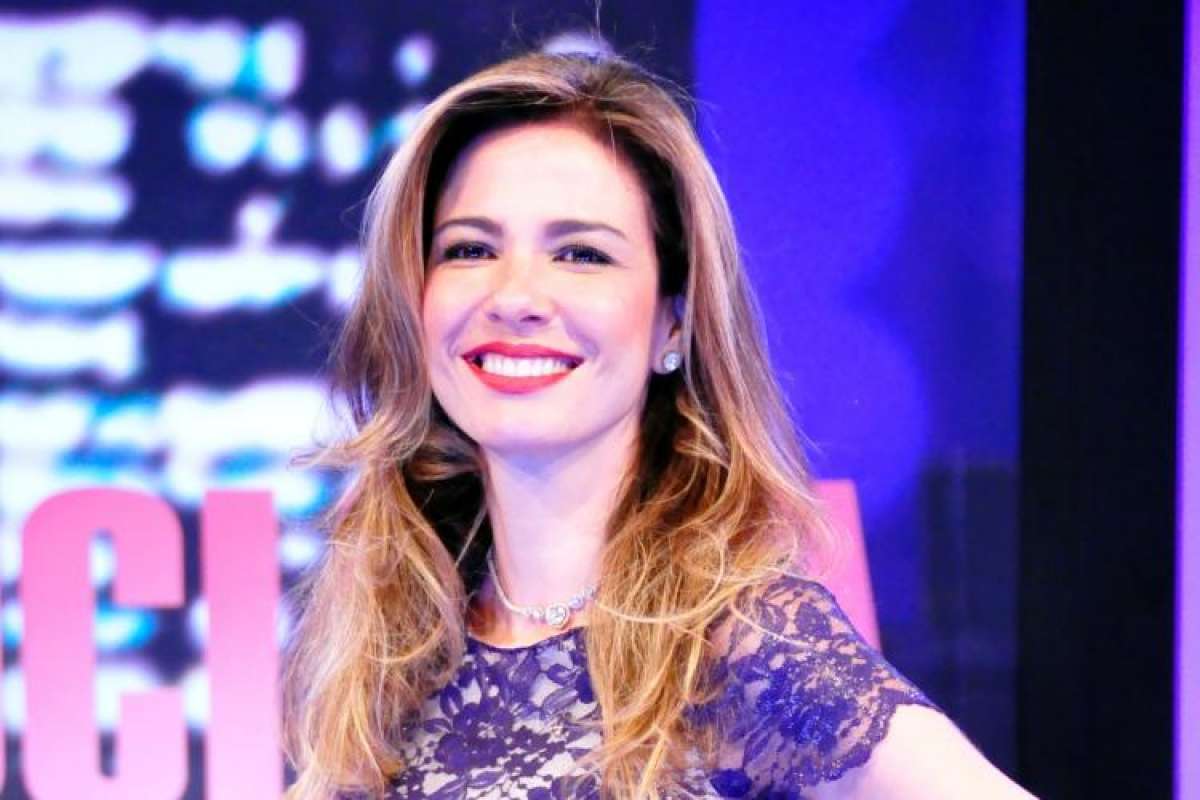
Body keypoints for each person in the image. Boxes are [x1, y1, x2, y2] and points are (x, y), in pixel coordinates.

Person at [283, 50, 1036, 800]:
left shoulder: (746, 644)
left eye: (581, 254)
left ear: (672, 323)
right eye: (470, 249)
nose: (514, 297)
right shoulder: (390, 651)